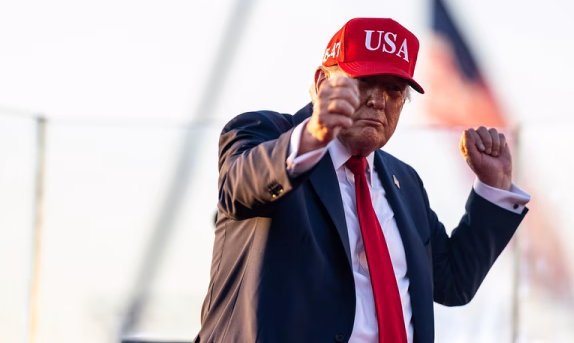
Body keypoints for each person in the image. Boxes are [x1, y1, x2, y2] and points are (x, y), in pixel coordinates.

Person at [195, 17, 530, 343]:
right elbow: (238, 187)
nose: (378, 100)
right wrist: (312, 137)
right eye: (363, 82)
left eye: (393, 89)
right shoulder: (267, 134)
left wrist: (494, 188)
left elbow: (452, 283)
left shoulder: (405, 181)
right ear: (322, 84)